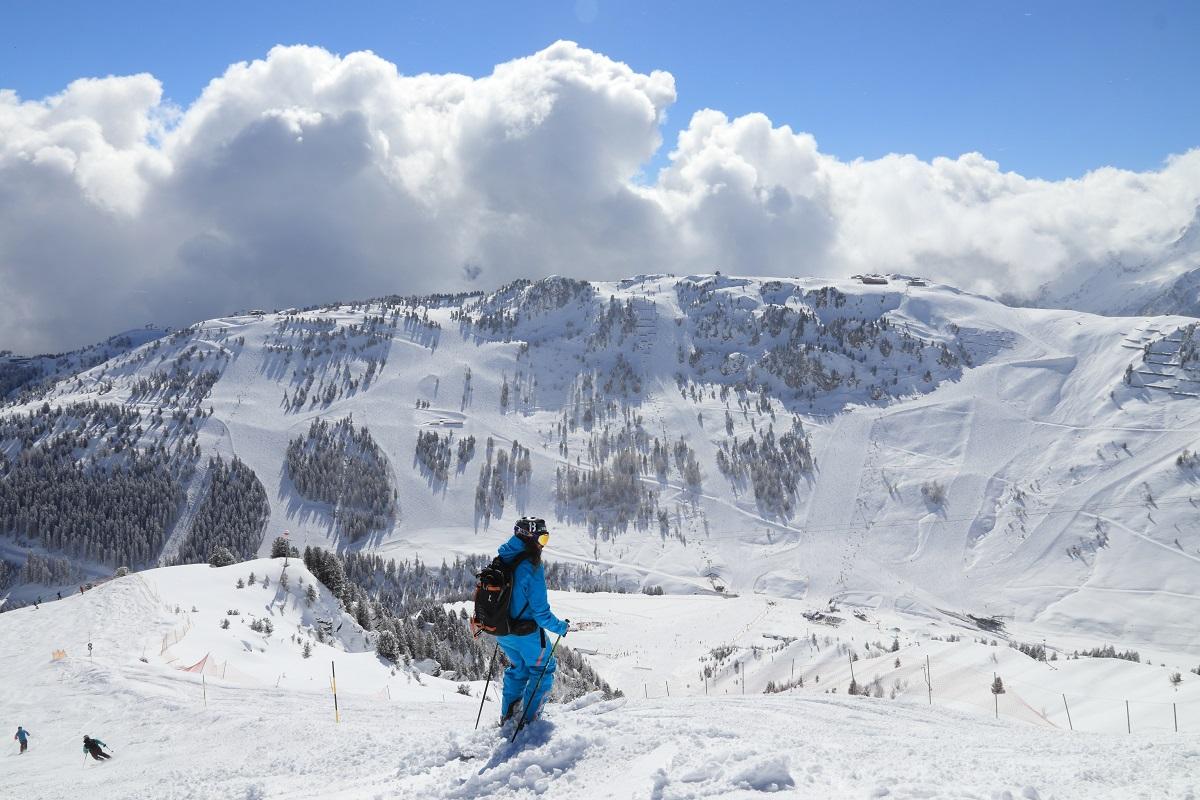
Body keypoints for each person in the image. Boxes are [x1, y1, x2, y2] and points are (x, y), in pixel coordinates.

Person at [495, 517, 570, 727]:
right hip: (526, 633)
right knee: (543, 669)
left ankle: (508, 716)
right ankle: (529, 721)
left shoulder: (502, 558)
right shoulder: (531, 567)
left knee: (518, 669)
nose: (542, 545)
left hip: (502, 630)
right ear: (529, 538)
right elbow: (541, 614)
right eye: (542, 538)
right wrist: (561, 627)